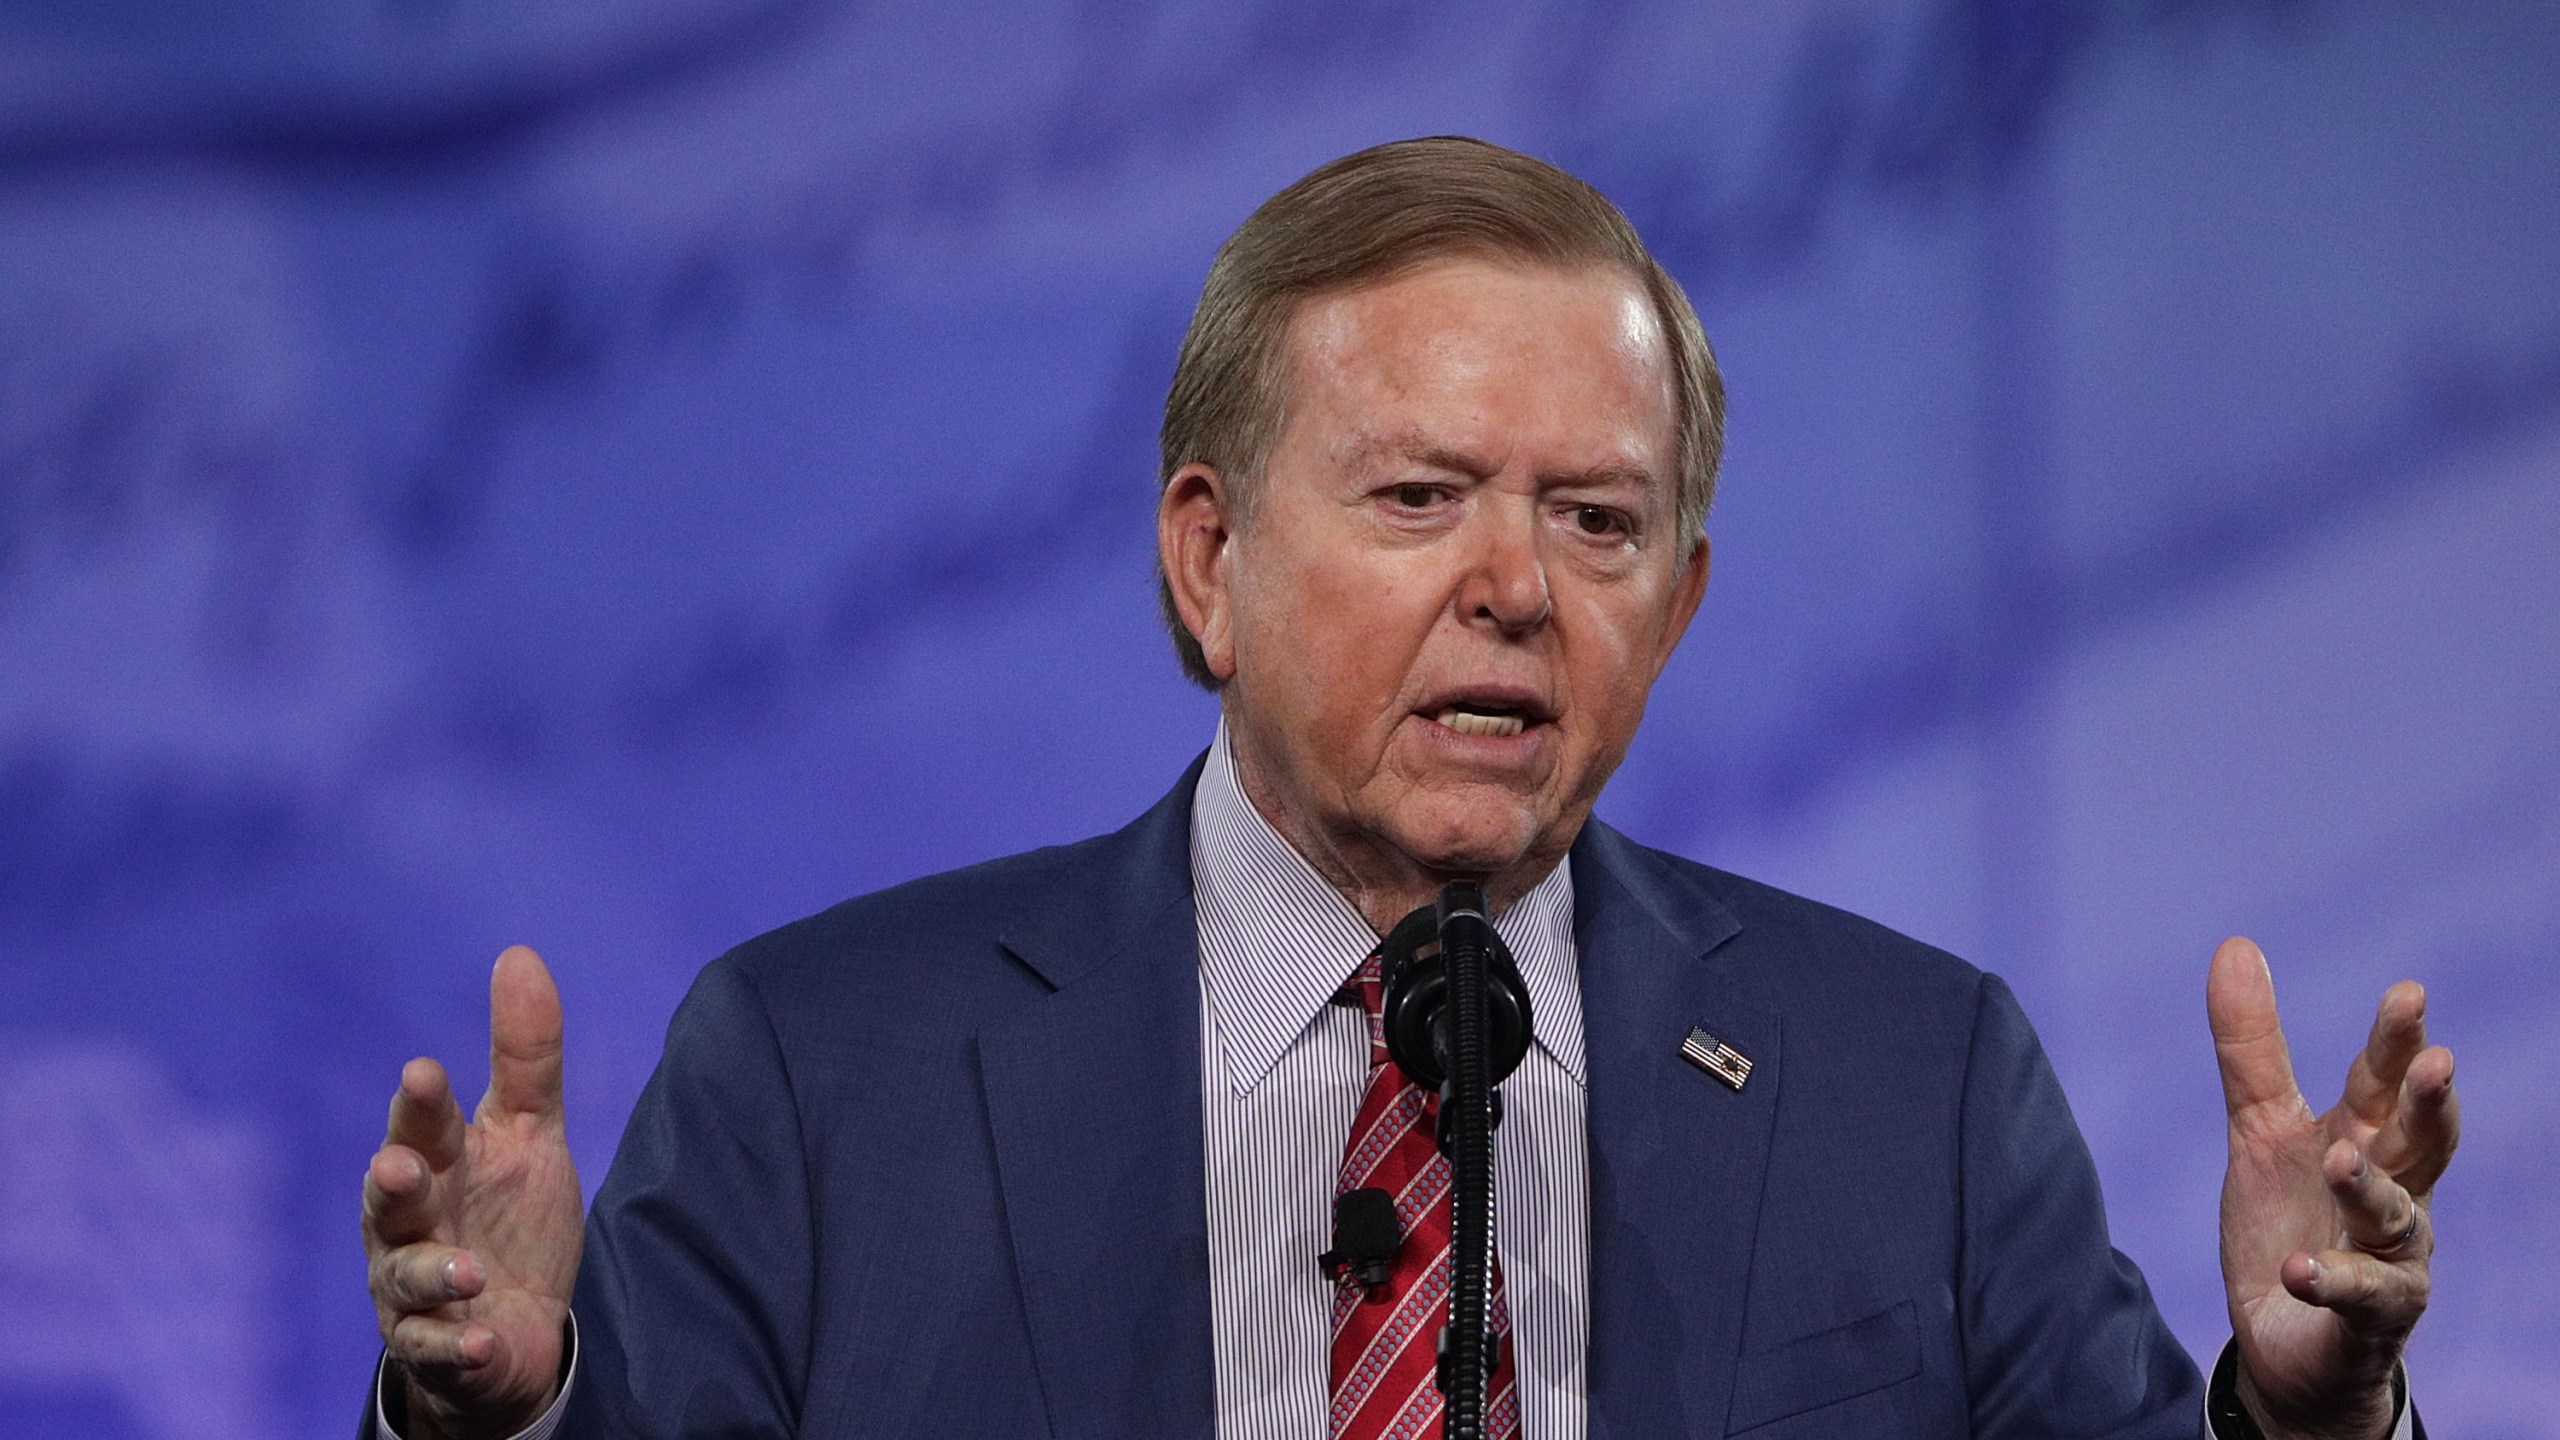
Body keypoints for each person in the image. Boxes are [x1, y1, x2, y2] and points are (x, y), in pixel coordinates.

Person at [358, 137, 2457, 1439]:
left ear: (1682, 603)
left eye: (1597, 523)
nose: (1514, 591)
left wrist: (2297, 1426)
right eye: (1421, 496)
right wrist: (488, 1436)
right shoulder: (817, 1073)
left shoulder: (1909, 1083)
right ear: (1209, 561)